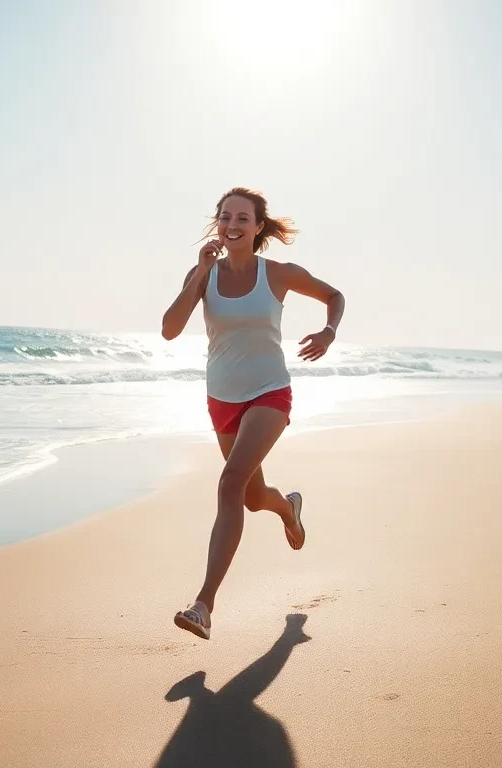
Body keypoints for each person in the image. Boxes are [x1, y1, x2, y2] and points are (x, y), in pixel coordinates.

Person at [160, 187, 345, 640]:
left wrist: (328, 331)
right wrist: (199, 274)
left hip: (269, 393)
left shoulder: (278, 274)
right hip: (221, 398)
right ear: (217, 223)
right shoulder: (203, 273)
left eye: (243, 218)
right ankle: (287, 507)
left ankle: (203, 604)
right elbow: (169, 330)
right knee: (250, 495)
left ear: (258, 226)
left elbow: (334, 295)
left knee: (229, 483)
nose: (233, 225)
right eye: (225, 217)